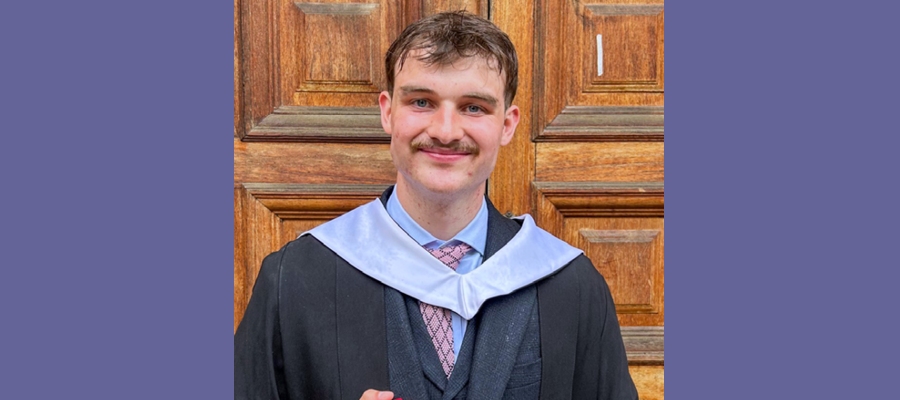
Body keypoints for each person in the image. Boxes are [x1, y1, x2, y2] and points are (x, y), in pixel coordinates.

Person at [234, 11, 638, 400]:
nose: (445, 132)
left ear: (508, 124)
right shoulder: (295, 280)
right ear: (388, 112)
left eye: (473, 107)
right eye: (422, 102)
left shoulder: (570, 286)